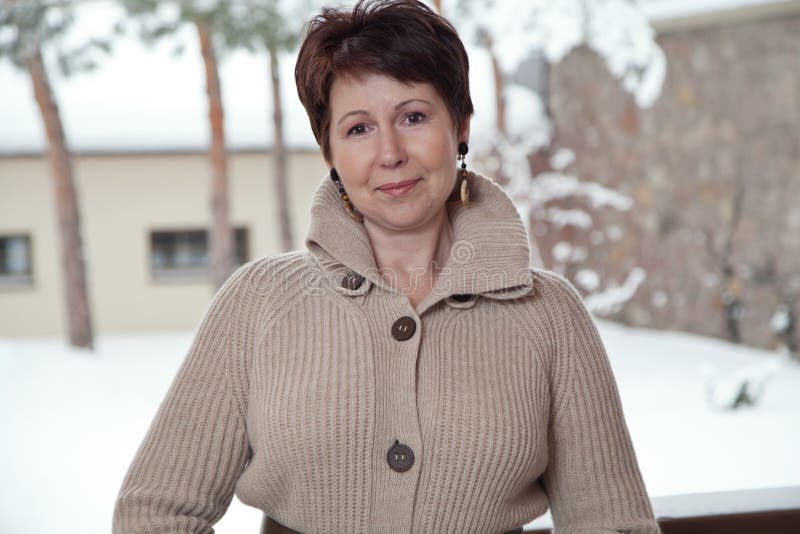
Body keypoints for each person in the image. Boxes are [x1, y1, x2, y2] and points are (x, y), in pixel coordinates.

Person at [113, 1, 660, 532]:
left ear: (460, 127)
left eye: (413, 116)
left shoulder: (549, 316)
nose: (390, 152)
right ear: (329, 153)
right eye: (358, 129)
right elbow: (154, 515)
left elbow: (613, 525)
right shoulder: (259, 302)